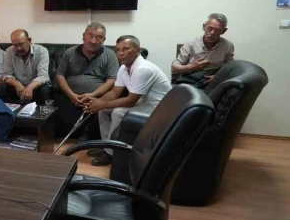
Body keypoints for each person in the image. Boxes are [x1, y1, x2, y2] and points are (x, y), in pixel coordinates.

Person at [83, 35, 171, 166]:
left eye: (125, 49)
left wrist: (101, 104)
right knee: (104, 110)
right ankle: (107, 145)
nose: (121, 53)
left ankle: (111, 153)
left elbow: (130, 101)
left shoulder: (143, 69)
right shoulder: (124, 68)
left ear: (138, 50)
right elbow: (115, 92)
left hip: (158, 108)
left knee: (118, 112)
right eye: (118, 50)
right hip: (143, 104)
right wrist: (97, 103)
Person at [54, 22, 119, 140]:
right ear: (83, 36)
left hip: (97, 96)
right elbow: (59, 75)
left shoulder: (110, 55)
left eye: (98, 37)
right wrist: (71, 95)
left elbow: (111, 80)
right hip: (69, 96)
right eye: (90, 36)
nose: (93, 41)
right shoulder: (70, 52)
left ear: (104, 40)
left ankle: (87, 137)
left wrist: (92, 94)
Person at [171, 13, 234, 86]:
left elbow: (230, 68)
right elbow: (174, 68)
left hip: (214, 81)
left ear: (223, 31)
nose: (212, 33)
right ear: (204, 27)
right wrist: (191, 67)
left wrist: (218, 77)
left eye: (217, 30)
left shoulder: (227, 46)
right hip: (191, 78)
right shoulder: (190, 44)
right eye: (210, 28)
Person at [0, 29, 52, 105]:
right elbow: (6, 75)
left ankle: (40, 112)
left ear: (29, 40)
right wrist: (17, 84)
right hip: (18, 87)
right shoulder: (9, 51)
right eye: (15, 45)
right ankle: (7, 111)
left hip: (36, 86)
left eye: (21, 44)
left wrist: (30, 86)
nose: (18, 48)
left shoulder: (42, 51)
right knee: (1, 88)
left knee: (45, 91)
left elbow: (43, 76)